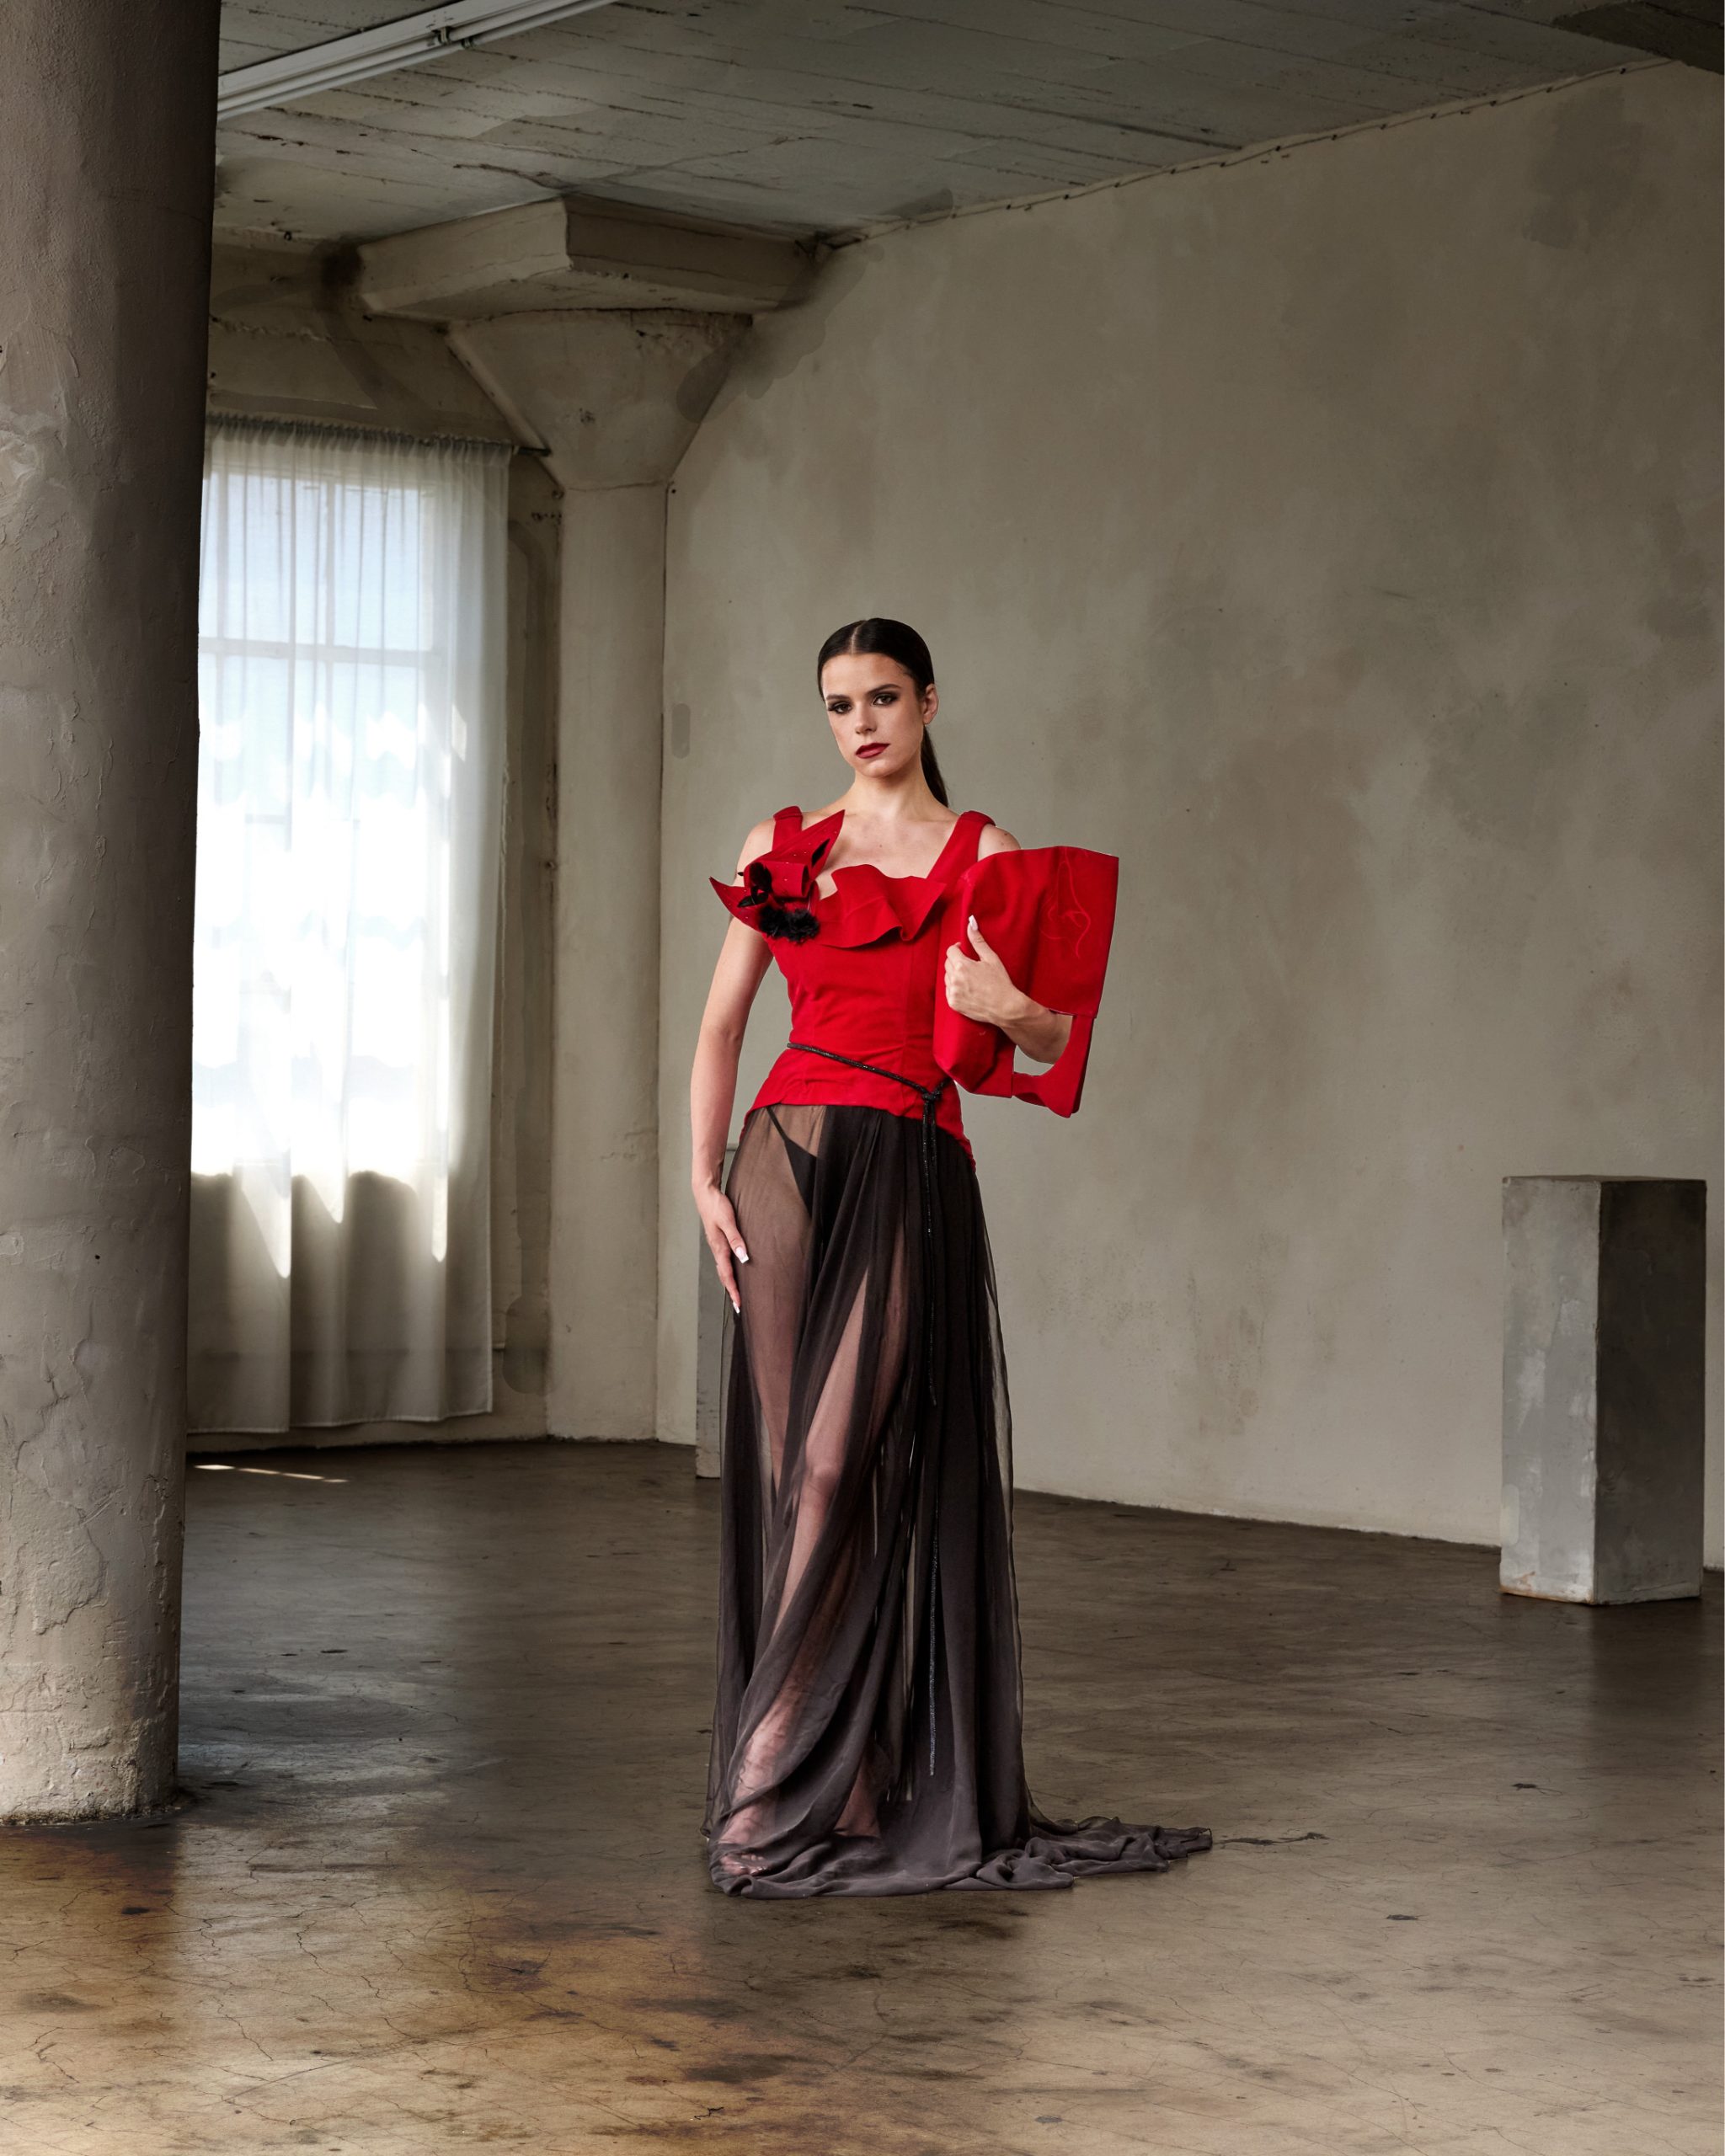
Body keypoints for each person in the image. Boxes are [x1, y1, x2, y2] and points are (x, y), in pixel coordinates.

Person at [689, 616, 1211, 1897]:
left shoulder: (987, 854)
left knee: (836, 1468)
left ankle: (769, 1777)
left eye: (882, 697)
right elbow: (721, 1029)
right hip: (780, 1158)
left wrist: (1005, 1007)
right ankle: (845, 1777)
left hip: (908, 1158)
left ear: (929, 703)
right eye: (837, 704)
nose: (859, 723)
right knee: (790, 1476)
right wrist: (702, 1177)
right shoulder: (780, 845)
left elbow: (1050, 1042)